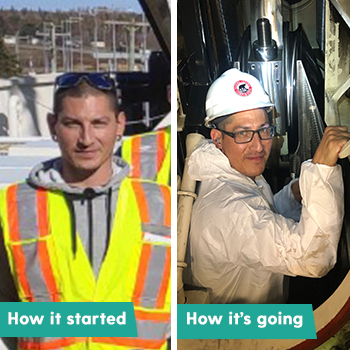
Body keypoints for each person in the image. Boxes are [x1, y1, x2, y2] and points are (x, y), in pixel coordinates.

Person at [0, 73, 171, 350]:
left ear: (120, 125)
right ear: (53, 126)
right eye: (72, 124)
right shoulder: (12, 208)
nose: (86, 139)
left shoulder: (162, 205)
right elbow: (7, 317)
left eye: (98, 123)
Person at [186, 68, 349, 304]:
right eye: (243, 133)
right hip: (244, 334)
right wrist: (321, 171)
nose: (258, 146)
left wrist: (294, 195)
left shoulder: (232, 170)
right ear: (217, 138)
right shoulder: (228, 209)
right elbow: (314, 260)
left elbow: (262, 217)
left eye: (264, 130)